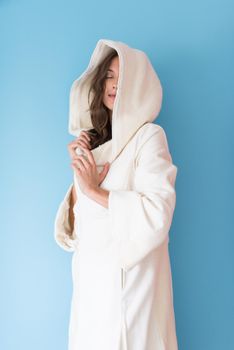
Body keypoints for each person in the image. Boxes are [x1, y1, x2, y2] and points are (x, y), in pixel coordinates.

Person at [54, 39, 179, 350]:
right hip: (89, 297)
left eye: (123, 78)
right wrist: (81, 180)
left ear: (138, 86)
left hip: (129, 296)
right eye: (109, 75)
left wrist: (95, 190)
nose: (113, 85)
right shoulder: (94, 144)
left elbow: (157, 212)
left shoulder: (149, 138)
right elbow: (74, 234)